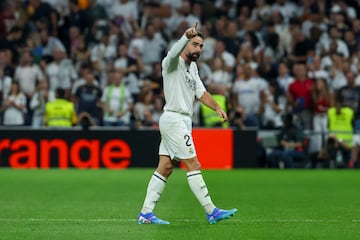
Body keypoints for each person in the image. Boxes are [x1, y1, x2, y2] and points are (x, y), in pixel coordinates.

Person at [137, 23, 237, 225]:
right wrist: (184, 36)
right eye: (194, 45)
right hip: (174, 119)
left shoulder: (193, 68)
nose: (198, 49)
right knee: (193, 164)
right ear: (185, 45)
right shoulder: (171, 63)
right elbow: (173, 53)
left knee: (165, 167)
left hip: (181, 120)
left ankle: (146, 213)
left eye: (201, 46)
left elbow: (201, 93)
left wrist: (217, 108)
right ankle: (211, 211)